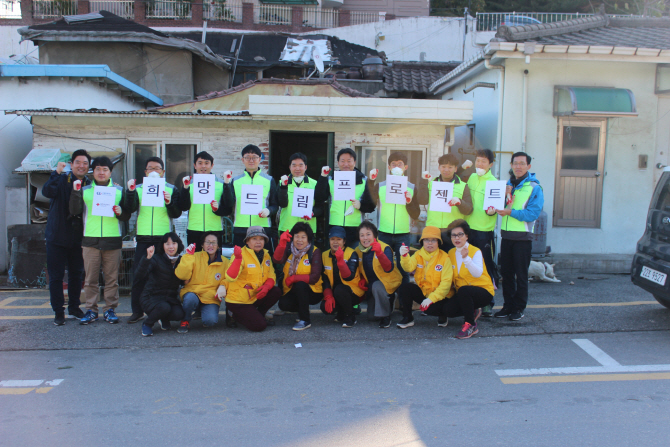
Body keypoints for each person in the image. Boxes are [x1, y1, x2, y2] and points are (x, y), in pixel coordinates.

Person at [69, 156, 130, 325]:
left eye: (105, 169)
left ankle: (110, 309)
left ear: (110, 172)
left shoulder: (119, 191)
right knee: (90, 279)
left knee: (112, 279)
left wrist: (120, 211)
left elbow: (126, 215)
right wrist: (75, 191)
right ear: (93, 171)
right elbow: (74, 210)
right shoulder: (85, 190)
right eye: (97, 169)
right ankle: (91, 310)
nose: (101, 172)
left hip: (112, 240)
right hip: (90, 240)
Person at [124, 156, 182, 324]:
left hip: (163, 239)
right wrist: (130, 191)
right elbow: (131, 208)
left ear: (163, 172)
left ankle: (163, 309)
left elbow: (176, 213)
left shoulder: (170, 189)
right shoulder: (139, 188)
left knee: (163, 276)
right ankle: (137, 311)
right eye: (150, 168)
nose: (154, 171)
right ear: (145, 172)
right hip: (143, 237)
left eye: (157, 168)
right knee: (139, 275)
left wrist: (169, 202)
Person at [43, 149, 91, 325]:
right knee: (56, 277)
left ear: (88, 167)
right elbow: (47, 191)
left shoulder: (88, 184)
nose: (81, 166)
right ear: (71, 164)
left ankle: (74, 307)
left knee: (76, 274)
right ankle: (58, 311)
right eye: (78, 162)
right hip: (56, 236)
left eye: (85, 163)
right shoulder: (61, 179)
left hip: (78, 237)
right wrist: (56, 173)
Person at [495, 152, 544, 321]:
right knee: (506, 274)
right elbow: (497, 205)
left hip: (523, 238)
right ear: (511, 165)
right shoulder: (508, 185)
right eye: (515, 163)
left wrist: (510, 212)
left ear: (528, 166)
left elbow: (532, 214)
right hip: (506, 236)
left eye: (522, 163)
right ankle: (508, 306)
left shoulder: (534, 187)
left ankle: (519, 308)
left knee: (521, 275)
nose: (518, 166)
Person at [367, 152, 420, 285]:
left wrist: (409, 202)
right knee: (385, 267)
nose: (397, 167)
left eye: (400, 164)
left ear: (405, 167)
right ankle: (387, 301)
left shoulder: (412, 187)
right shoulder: (381, 186)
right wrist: (371, 181)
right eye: (394, 164)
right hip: (384, 232)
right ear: (389, 167)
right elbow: (369, 204)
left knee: (403, 269)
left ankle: (404, 303)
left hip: (403, 234)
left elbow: (416, 214)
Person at [222, 145, 279, 253]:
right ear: (243, 160)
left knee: (263, 263)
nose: (251, 160)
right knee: (240, 262)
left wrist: (269, 210)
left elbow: (275, 205)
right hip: (240, 229)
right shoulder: (235, 180)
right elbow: (229, 204)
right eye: (247, 157)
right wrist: (226, 184)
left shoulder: (269, 180)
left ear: (260, 159)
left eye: (254, 157)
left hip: (262, 229)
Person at [315, 148, 375, 249]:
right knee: (336, 258)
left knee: (354, 258)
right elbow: (319, 197)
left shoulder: (363, 180)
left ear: (354, 162)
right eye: (342, 161)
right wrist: (323, 177)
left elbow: (371, 206)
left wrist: (360, 205)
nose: (345, 164)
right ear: (338, 163)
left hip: (355, 227)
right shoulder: (331, 179)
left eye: (349, 161)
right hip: (335, 225)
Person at [225, 226, 282, 332]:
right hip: (238, 300)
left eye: (261, 239)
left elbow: (271, 275)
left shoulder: (265, 254)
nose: (258, 242)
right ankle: (233, 314)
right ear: (247, 241)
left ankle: (258, 315)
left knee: (276, 291)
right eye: (254, 239)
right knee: (259, 326)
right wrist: (237, 259)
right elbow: (230, 277)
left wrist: (266, 287)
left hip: (254, 296)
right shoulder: (239, 254)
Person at [445, 219, 495, 339]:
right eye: (453, 235)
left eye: (460, 234)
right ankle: (472, 310)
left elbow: (477, 273)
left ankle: (471, 325)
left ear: (466, 236)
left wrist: (466, 258)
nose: (457, 238)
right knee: (447, 310)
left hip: (483, 291)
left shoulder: (475, 251)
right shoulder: (451, 253)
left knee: (464, 290)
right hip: (464, 293)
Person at [396, 226, 453, 329]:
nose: (429, 243)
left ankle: (442, 315)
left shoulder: (445, 258)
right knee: (405, 288)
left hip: (439, 297)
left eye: (433, 240)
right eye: (426, 240)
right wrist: (404, 256)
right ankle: (408, 318)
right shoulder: (418, 254)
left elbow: (446, 284)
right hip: (424, 293)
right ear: (422, 242)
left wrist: (431, 299)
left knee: (443, 308)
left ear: (438, 242)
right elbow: (408, 268)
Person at [466, 149, 500, 317]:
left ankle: (488, 302)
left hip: (484, 231)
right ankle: (473, 300)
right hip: (468, 229)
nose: (480, 164)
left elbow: (493, 209)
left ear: (490, 164)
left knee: (486, 265)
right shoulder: (472, 178)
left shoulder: (494, 183)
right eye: (478, 160)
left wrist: (492, 211)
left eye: (483, 161)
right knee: (469, 264)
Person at [174, 232, 230, 333]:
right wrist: (187, 257)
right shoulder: (193, 256)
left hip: (210, 297)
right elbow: (181, 275)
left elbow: (229, 278)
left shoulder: (225, 261)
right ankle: (185, 320)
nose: (211, 245)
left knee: (210, 321)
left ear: (218, 245)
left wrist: (222, 285)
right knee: (190, 300)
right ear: (202, 245)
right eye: (207, 242)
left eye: (214, 242)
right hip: (192, 292)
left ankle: (200, 310)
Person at [418, 153, 473, 252]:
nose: (446, 170)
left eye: (450, 167)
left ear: (455, 169)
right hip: (433, 229)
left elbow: (469, 210)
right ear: (439, 167)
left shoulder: (463, 186)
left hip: (453, 231)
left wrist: (460, 202)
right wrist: (423, 181)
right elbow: (422, 200)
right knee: (432, 261)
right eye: (443, 167)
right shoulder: (431, 184)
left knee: (452, 261)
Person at [134, 232, 186, 337]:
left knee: (179, 314)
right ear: (163, 246)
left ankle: (163, 318)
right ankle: (147, 324)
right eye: (167, 244)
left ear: (178, 245)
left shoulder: (181, 260)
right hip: (150, 297)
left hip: (169, 299)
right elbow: (139, 275)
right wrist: (147, 258)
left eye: (174, 243)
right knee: (164, 308)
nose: (171, 247)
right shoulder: (156, 258)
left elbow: (183, 281)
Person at [274, 223, 324, 331]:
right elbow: (277, 260)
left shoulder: (314, 251)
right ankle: (303, 308)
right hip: (292, 290)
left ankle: (305, 320)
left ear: (308, 239)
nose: (299, 240)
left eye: (303, 237)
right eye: (297, 236)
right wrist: (282, 243)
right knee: (284, 304)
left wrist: (293, 278)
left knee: (300, 284)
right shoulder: (289, 249)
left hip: (313, 291)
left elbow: (314, 277)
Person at [356, 221, 402, 328]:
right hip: (372, 286)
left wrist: (380, 254)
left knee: (377, 286)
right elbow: (359, 268)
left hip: (388, 282)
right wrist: (362, 278)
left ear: (375, 236)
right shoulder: (358, 250)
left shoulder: (384, 247)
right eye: (362, 235)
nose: (365, 238)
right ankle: (388, 303)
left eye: (368, 234)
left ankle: (386, 315)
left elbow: (388, 268)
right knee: (372, 317)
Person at [178, 151, 226, 248]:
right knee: (195, 260)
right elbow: (183, 206)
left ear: (212, 165)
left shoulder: (222, 184)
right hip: (194, 229)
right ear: (194, 165)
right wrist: (185, 188)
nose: (203, 166)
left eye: (206, 163)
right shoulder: (188, 184)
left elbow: (227, 207)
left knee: (214, 261)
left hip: (215, 229)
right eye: (200, 163)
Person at [319, 226, 365, 328]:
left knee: (340, 289)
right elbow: (325, 278)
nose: (335, 242)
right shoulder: (324, 255)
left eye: (338, 239)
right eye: (332, 239)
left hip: (354, 292)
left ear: (344, 241)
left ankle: (350, 316)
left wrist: (340, 261)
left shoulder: (351, 253)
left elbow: (349, 277)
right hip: (336, 291)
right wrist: (328, 296)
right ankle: (341, 312)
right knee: (325, 307)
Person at [278, 153, 320, 234]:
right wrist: (283, 186)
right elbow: (281, 203)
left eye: (300, 165)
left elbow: (320, 206)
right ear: (290, 167)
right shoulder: (282, 182)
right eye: (294, 165)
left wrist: (313, 212)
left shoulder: (315, 184)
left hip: (307, 228)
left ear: (306, 167)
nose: (297, 168)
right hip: (287, 228)